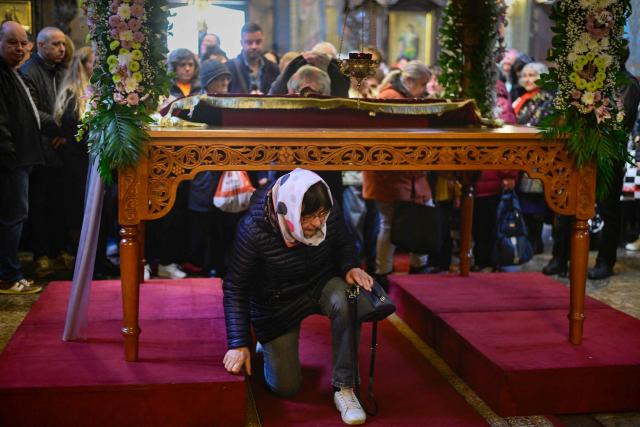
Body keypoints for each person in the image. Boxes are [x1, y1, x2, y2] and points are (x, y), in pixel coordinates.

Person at [223, 168, 373, 425]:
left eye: (322, 215)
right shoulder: (252, 230)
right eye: (309, 217)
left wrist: (350, 267)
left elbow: (345, 243)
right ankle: (266, 345)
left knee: (348, 299)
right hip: (277, 303)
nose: (318, 223)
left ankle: (345, 389)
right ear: (288, 209)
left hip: (320, 282)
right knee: (286, 387)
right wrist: (239, 342)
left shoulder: (327, 210)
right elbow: (236, 287)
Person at [20, 26, 71, 278]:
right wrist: (61, 128)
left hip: (61, 147)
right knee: (39, 204)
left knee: (58, 203)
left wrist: (66, 131)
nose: (62, 49)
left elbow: (71, 103)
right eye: (55, 44)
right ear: (40, 46)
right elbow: (32, 111)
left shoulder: (62, 71)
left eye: (63, 44)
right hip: (39, 147)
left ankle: (57, 250)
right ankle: (41, 255)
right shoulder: (28, 72)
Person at [0, 21, 44, 294]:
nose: (20, 48)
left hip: (21, 158)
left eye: (23, 42)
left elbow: (30, 114)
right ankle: (8, 275)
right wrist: (10, 156)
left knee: (16, 216)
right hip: (10, 161)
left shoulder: (12, 72)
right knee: (12, 218)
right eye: (12, 42)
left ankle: (10, 271)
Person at [227, 22, 279, 94]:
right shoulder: (229, 68)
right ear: (241, 43)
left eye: (258, 42)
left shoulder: (273, 69)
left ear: (263, 41)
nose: (254, 46)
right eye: (249, 42)